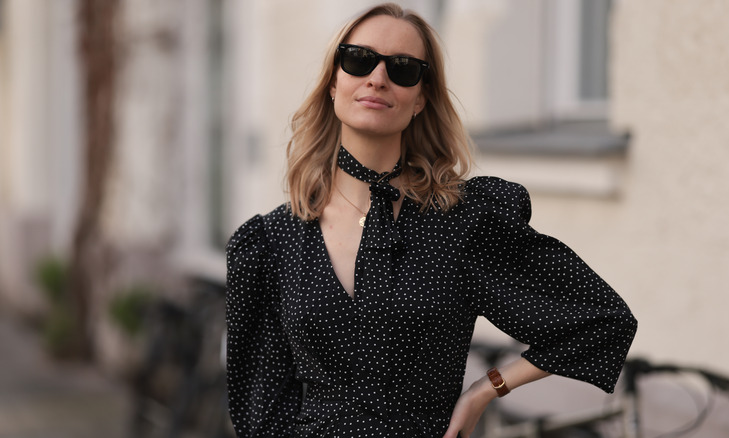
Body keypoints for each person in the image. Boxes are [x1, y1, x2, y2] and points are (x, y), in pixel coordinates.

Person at [225, 3, 637, 438]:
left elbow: (601, 320)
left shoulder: (462, 223)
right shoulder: (272, 241)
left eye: (403, 69)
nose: (378, 78)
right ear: (333, 80)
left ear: (421, 97)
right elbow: (260, 411)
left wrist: (487, 388)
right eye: (359, 59)